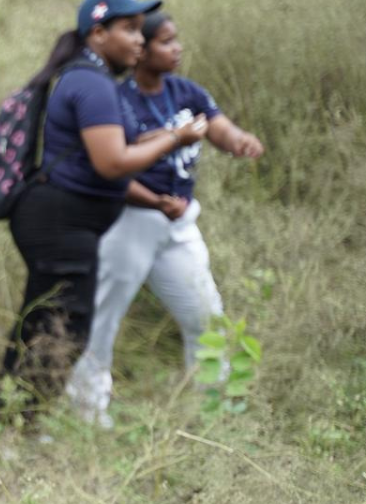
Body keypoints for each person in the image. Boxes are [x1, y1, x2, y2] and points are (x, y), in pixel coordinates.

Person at [0, 0, 209, 417]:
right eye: (129, 29)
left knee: (46, 320)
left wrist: (168, 135)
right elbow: (112, 163)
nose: (139, 41)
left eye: (141, 30)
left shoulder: (93, 78)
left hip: (62, 222)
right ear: (98, 34)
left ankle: (14, 419)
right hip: (60, 224)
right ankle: (21, 425)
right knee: (62, 326)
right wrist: (176, 140)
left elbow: (119, 147)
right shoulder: (91, 83)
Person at [66, 11, 265, 427]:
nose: (176, 49)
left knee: (207, 315)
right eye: (165, 41)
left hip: (178, 224)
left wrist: (239, 141)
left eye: (176, 40)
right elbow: (113, 167)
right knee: (103, 317)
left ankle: (214, 409)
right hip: (132, 221)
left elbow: (219, 127)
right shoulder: (119, 99)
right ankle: (86, 414)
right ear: (142, 50)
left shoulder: (184, 91)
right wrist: (153, 199)